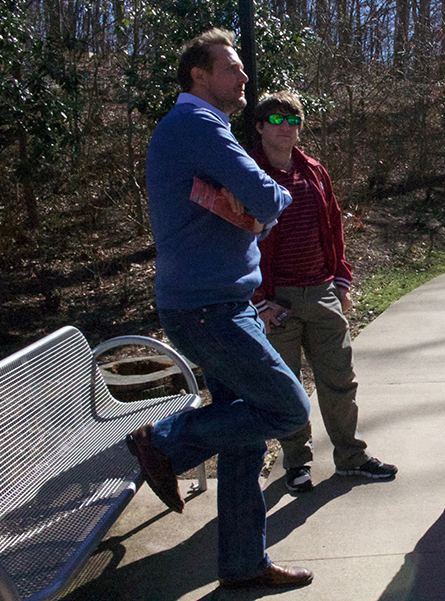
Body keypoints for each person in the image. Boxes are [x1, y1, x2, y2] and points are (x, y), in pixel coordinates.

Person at [128, 29, 314, 590]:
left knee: (244, 437)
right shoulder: (197, 125)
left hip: (219, 301)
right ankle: (162, 441)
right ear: (199, 76)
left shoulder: (196, 129)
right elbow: (269, 196)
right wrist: (265, 200)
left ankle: (242, 563)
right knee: (288, 408)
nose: (244, 78)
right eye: (231, 68)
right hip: (209, 307)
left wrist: (255, 200)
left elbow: (255, 197)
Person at [249, 91, 396, 493]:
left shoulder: (312, 170)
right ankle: (297, 463)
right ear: (260, 126)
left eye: (293, 120)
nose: (286, 128)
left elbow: (333, 226)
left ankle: (350, 456)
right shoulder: (248, 172)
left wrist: (341, 279)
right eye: (276, 121)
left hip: (321, 291)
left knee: (340, 380)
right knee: (288, 386)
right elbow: (240, 240)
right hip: (275, 301)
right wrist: (259, 301)